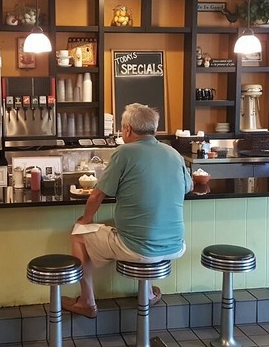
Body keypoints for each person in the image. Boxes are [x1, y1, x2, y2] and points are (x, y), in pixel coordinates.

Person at [62, 103, 192, 318]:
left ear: (128, 130)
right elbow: (189, 187)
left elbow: (97, 194)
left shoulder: (124, 152)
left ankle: (86, 301)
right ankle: (148, 294)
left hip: (136, 248)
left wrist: (86, 219)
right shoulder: (173, 153)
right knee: (146, 228)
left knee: (78, 234)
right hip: (176, 244)